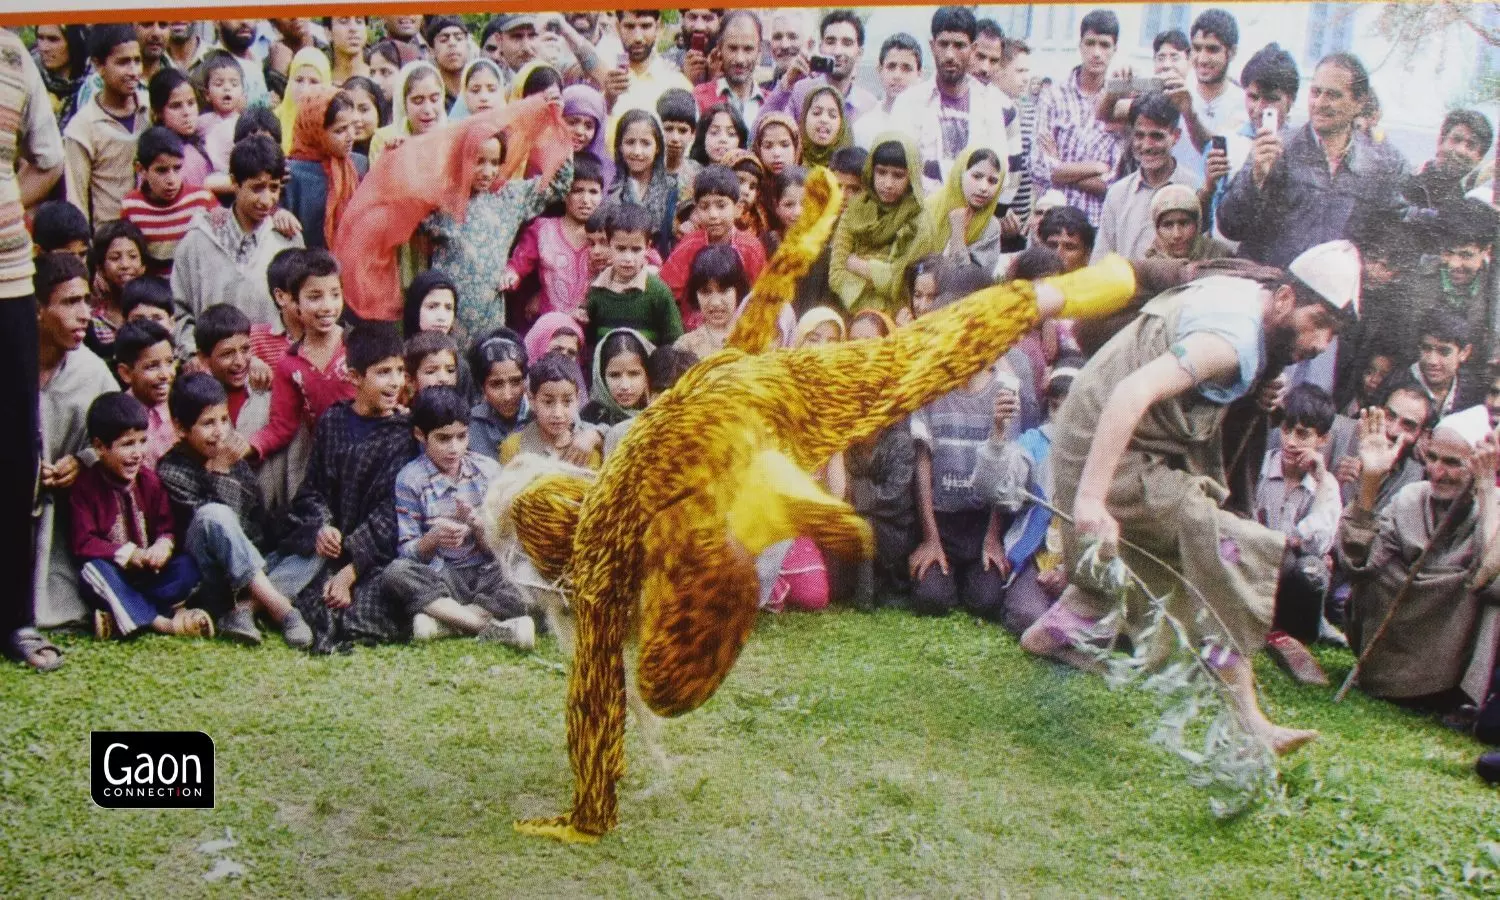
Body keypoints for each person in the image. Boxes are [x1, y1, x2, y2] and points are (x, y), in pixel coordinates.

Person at [1020, 240, 1365, 756]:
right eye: (1320, 323)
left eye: (1333, 333)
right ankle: (1250, 723)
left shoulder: (1251, 293)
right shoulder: (1231, 340)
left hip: (1126, 440)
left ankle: (1058, 631)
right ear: (1287, 298)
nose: (1321, 343)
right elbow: (1130, 394)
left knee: (1157, 550)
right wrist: (1091, 500)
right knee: (1224, 544)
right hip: (1106, 445)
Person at [1340, 404, 1500, 710]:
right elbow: (1358, 563)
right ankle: (1387, 677)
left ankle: (1463, 700)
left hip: (1451, 655)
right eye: (1433, 458)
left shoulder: (1494, 507)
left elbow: (1491, 581)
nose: (1438, 472)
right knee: (1381, 572)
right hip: (1391, 648)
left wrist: (1486, 490)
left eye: (1454, 463)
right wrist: (1371, 482)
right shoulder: (1410, 498)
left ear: (1478, 465)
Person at [280, 325, 418, 652]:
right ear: (356, 377)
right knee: (314, 597)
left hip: (374, 556)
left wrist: (351, 571)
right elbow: (313, 488)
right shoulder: (333, 421)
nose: (396, 382)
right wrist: (322, 527)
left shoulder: (403, 433)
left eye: (400, 371)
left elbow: (391, 513)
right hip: (332, 548)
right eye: (383, 373)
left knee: (366, 608)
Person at [156, 372, 316, 647]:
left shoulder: (233, 459)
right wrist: (218, 474)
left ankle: (245, 609)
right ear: (181, 428)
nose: (220, 432)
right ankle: (281, 609)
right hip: (211, 576)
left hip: (252, 567)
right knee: (213, 514)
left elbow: (255, 522)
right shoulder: (171, 470)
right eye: (208, 423)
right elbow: (221, 530)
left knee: (317, 536)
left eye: (223, 420)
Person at [1218, 53, 1409, 268]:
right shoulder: (1277, 148)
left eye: (1333, 95)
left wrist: (1379, 262)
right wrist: (1256, 178)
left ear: (1359, 102)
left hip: (1333, 293)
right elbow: (1230, 227)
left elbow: (1394, 225)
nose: (1319, 103)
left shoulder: (1375, 164)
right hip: (1273, 287)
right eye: (1316, 92)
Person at [384, 385, 536, 647]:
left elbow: (504, 547)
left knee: (529, 575)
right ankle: (486, 627)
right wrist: (431, 540)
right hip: (443, 577)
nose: (454, 448)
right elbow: (407, 552)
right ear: (421, 435)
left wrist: (478, 526)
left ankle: (444, 623)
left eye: (461, 437)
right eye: (443, 439)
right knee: (395, 574)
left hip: (486, 573)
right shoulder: (411, 479)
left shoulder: (486, 470)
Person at [73, 392, 210, 640]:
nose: (138, 453)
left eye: (142, 441)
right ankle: (162, 623)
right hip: (114, 574)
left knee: (187, 566)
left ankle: (121, 618)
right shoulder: (85, 487)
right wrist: (128, 554)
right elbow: (83, 543)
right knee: (94, 571)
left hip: (149, 577)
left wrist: (162, 545)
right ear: (100, 447)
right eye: (127, 444)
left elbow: (165, 526)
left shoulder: (149, 481)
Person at [30, 255, 112, 648]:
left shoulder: (92, 372)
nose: (84, 315)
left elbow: (122, 436)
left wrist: (82, 461)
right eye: (68, 303)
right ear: (39, 310)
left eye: (86, 302)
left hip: (62, 516)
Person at [1252, 382, 1342, 684]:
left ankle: (1294, 633)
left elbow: (1320, 542)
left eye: (1303, 434)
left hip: (1290, 576)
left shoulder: (1324, 485)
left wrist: (1322, 480)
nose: (1291, 441)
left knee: (1310, 570)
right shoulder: (1261, 468)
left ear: (1322, 439)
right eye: (1287, 429)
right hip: (1254, 564)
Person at [171, 135, 304, 338]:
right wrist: (192, 354)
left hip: (273, 364)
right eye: (257, 188)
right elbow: (179, 311)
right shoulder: (198, 242)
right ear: (235, 182)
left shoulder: (287, 241)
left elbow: (300, 311)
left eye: (274, 188)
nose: (266, 200)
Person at [890, 7, 1019, 200]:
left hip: (972, 219)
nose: (950, 55)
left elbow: (1002, 174)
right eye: (943, 44)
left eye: (959, 45)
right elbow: (897, 168)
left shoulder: (990, 104)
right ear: (933, 46)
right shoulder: (909, 103)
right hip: (919, 218)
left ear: (973, 49)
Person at [247, 249, 354, 470]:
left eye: (335, 294)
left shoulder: (356, 345)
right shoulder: (289, 364)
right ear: (295, 302)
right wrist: (248, 445)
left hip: (373, 454)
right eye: (315, 297)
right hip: (326, 463)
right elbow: (281, 426)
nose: (327, 306)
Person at [1030, 11, 1122, 225]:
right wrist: (1097, 167)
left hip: (1096, 223)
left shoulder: (1119, 103)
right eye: (1090, 43)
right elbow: (1040, 167)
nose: (1096, 53)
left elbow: (1114, 180)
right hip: (1053, 222)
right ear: (1080, 45)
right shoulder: (1053, 96)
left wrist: (1062, 167)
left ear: (1115, 50)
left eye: (1104, 45)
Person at [1091, 93, 1202, 262]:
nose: (1146, 146)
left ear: (1176, 136)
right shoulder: (1118, 194)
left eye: (1156, 136)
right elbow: (1101, 260)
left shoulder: (1194, 189)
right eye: (1139, 136)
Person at [829, 135, 925, 317]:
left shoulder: (920, 220)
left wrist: (855, 263)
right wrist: (881, 271)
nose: (888, 184)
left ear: (911, 176)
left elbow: (900, 282)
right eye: (881, 172)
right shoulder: (855, 210)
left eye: (898, 175)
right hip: (852, 315)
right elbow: (836, 275)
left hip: (898, 319)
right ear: (870, 171)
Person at [659, 164, 766, 326]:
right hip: (694, 327)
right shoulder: (689, 245)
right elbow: (667, 294)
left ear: (738, 209)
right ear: (696, 210)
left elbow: (761, 295)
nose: (713, 215)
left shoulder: (750, 247)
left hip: (739, 328)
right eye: (704, 207)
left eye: (721, 205)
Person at [64, 25, 148, 228]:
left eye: (137, 61)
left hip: (154, 234)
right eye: (123, 62)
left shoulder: (150, 108)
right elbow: (76, 199)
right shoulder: (82, 128)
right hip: (111, 241)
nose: (133, 71)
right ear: (99, 66)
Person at [121, 127, 219, 276]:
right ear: (141, 169)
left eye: (177, 168)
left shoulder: (202, 200)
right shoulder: (131, 206)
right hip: (154, 290)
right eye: (161, 170)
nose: (172, 180)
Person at [585, 203, 683, 346]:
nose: (628, 259)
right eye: (621, 249)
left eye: (636, 250)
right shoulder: (597, 291)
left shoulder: (658, 292)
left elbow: (675, 341)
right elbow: (590, 342)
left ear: (648, 246)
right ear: (609, 243)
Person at [283, 86, 367, 251]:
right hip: (306, 265)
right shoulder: (292, 174)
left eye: (351, 126)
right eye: (340, 130)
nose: (350, 136)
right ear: (317, 132)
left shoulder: (359, 164)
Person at [759, 9, 875, 124]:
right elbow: (758, 134)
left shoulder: (868, 105)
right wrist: (785, 84)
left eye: (847, 43)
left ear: (859, 53)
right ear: (820, 47)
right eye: (830, 42)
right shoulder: (800, 93)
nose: (837, 51)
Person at [603, 10, 692, 143]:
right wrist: (607, 101)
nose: (638, 37)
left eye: (645, 26)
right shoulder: (604, 79)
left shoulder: (678, 84)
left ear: (658, 27)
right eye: (629, 27)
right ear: (617, 27)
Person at [499, 351, 598, 467]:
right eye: (548, 402)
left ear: (577, 400)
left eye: (567, 402)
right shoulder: (514, 448)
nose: (558, 413)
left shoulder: (587, 448)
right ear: (532, 400)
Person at [917, 146, 1005, 275]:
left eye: (992, 181)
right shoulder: (929, 208)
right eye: (977, 176)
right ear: (960, 174)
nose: (984, 187)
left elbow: (969, 279)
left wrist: (958, 233)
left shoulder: (990, 228)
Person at [608, 108, 679, 258]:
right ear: (619, 146)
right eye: (630, 142)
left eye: (645, 143)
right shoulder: (608, 188)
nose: (637, 151)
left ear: (658, 147)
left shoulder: (673, 189)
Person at [111, 319, 177, 469]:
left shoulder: (183, 406)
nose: (165, 374)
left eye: (169, 362)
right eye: (152, 366)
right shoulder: (116, 416)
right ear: (126, 373)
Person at [1402, 109, 1494, 214]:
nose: (1460, 150)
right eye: (1456, 139)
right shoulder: (1405, 179)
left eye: (1471, 145)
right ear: (1440, 141)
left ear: (1479, 159)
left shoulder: (1473, 205)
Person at [993, 38, 1037, 251]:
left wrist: (1031, 210)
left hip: (1020, 222)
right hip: (995, 217)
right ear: (999, 70)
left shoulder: (1027, 110)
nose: (1026, 78)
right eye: (1020, 71)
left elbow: (1030, 166)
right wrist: (999, 211)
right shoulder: (989, 110)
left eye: (1028, 71)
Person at [691, 10, 766, 124]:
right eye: (732, 48)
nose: (739, 59)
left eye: (748, 49)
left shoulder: (771, 103)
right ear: (720, 49)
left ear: (759, 52)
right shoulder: (698, 99)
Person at [850, 33, 922, 151]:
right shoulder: (863, 127)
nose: (897, 76)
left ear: (919, 74)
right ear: (879, 70)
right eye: (891, 67)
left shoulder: (928, 123)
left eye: (906, 68)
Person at [468, 329, 532, 460]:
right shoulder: (469, 425)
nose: (507, 395)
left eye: (515, 382)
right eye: (496, 384)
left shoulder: (543, 417)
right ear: (482, 386)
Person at [581, 328, 654, 427]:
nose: (625, 386)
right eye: (614, 375)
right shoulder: (589, 418)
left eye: (634, 374)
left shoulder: (664, 412)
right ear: (601, 377)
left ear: (647, 374)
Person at [1145, 183, 1230, 261]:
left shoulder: (1220, 255)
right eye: (1168, 225)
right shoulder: (1150, 268)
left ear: (1197, 224)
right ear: (1157, 229)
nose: (1177, 234)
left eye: (1184, 223)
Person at [1037, 205, 1096, 273]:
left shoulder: (1102, 282)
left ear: (1087, 254)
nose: (1058, 254)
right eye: (1052, 246)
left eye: (1069, 247)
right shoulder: (1026, 281)